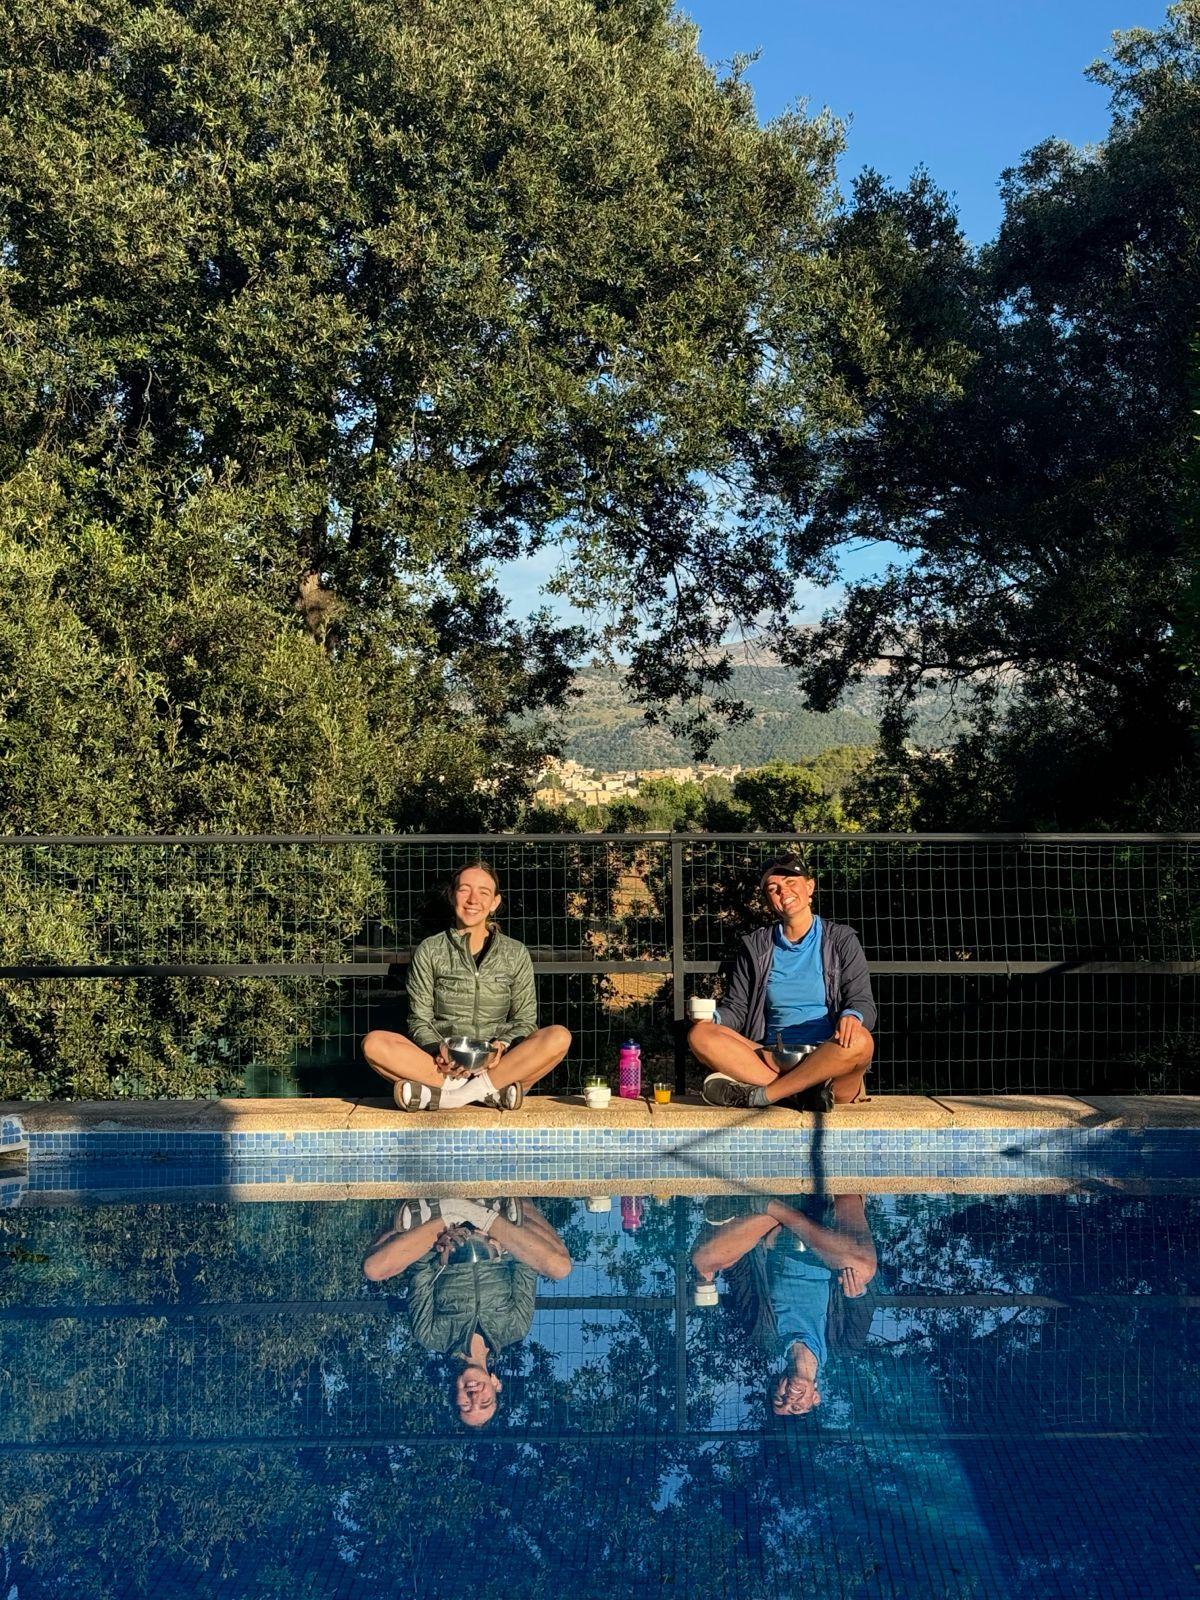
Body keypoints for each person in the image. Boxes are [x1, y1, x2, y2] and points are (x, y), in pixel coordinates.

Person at [362, 860, 571, 1111]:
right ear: (452, 896)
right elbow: (419, 1020)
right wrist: (439, 1050)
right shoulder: (430, 950)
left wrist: (501, 1047)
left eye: (483, 892)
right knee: (374, 1044)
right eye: (464, 890)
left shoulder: (516, 953)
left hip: (499, 1065)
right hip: (441, 1067)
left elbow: (525, 1020)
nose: (473, 899)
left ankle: (450, 1098)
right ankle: (487, 1094)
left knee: (559, 1037)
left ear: (495, 902)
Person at [362, 1196, 573, 1427]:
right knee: (560, 1268)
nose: (474, 1398)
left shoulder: (430, 1335)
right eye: (485, 1402)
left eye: (465, 1405)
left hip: (442, 1226)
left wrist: (440, 1249)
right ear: (496, 1384)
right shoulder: (515, 1327)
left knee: (373, 1269)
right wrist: (502, 1247)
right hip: (496, 1227)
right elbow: (525, 1265)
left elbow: (419, 1270)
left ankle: (455, 1209)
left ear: (454, 1392)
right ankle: (489, 1208)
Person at [689, 854, 875, 1110]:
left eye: (790, 882)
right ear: (769, 901)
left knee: (862, 1041)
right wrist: (712, 1018)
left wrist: (853, 1017)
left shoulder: (841, 940)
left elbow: (862, 1002)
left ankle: (762, 1095)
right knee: (701, 1035)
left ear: (809, 887)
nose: (783, 891)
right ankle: (800, 1095)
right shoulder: (756, 946)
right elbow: (737, 1010)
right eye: (773, 889)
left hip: (829, 1062)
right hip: (771, 1058)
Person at [691, 1192, 877, 1419]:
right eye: (797, 1407)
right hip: (827, 1245)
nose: (789, 1399)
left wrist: (716, 1265)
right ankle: (827, 1200)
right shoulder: (844, 1344)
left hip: (774, 1238)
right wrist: (857, 1291)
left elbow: (739, 1273)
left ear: (775, 1385)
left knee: (704, 1261)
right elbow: (867, 1297)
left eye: (779, 1399)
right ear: (815, 1399)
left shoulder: (762, 1335)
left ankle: (780, 1208)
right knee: (864, 1268)